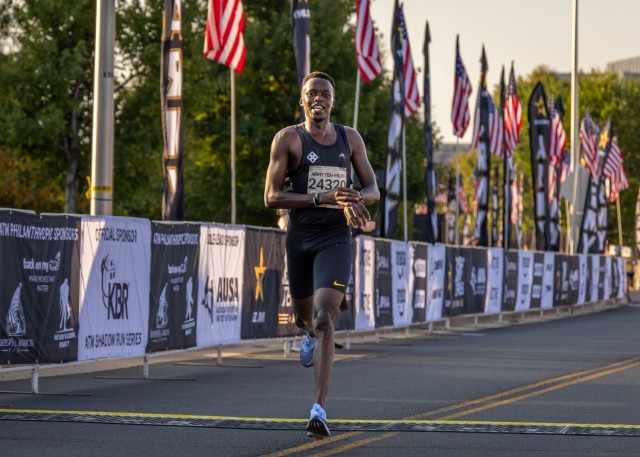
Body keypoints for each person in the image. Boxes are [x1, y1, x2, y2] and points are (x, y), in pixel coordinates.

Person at [264, 71, 379, 439]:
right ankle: (308, 334)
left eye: (325, 94)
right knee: (305, 319)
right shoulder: (288, 139)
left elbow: (373, 187)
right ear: (303, 100)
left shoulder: (350, 138)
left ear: (333, 100)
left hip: (335, 237)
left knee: (327, 316)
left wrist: (353, 196)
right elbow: (271, 197)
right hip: (300, 238)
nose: (319, 99)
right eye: (312, 93)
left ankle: (319, 409)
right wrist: (319, 198)